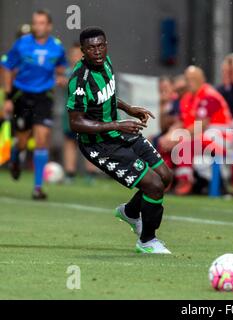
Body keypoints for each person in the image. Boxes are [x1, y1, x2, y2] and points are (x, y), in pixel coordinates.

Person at [67, 27, 173, 254]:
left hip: (119, 131)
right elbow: (75, 122)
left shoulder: (106, 63)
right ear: (83, 51)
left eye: (101, 45)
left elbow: (109, 94)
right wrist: (117, 123)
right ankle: (147, 241)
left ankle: (131, 212)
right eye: (92, 48)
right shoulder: (79, 80)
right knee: (153, 186)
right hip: (99, 145)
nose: (98, 51)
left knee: (165, 176)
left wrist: (129, 109)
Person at [1, 10, 67, 200]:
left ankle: (38, 188)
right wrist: (7, 97)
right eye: (35, 23)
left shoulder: (56, 47)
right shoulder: (22, 43)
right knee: (22, 141)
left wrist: (61, 77)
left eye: (42, 23)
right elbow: (7, 67)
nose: (38, 26)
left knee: (41, 138)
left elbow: (61, 68)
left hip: (44, 97)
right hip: (23, 96)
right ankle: (15, 156)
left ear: (49, 26)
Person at [160, 66, 233, 195]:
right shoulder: (187, 98)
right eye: (188, 79)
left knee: (185, 144)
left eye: (193, 79)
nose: (190, 82)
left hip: (220, 138)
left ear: (202, 79)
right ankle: (165, 180)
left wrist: (179, 136)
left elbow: (201, 125)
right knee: (164, 144)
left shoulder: (210, 95)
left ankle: (185, 181)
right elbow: (182, 122)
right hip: (200, 136)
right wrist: (170, 134)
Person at [62, 43, 97, 184]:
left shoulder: (90, 71)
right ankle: (70, 173)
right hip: (72, 114)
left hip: (88, 114)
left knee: (90, 142)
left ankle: (91, 174)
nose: (75, 57)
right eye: (73, 54)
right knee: (70, 142)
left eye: (78, 54)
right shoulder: (67, 71)